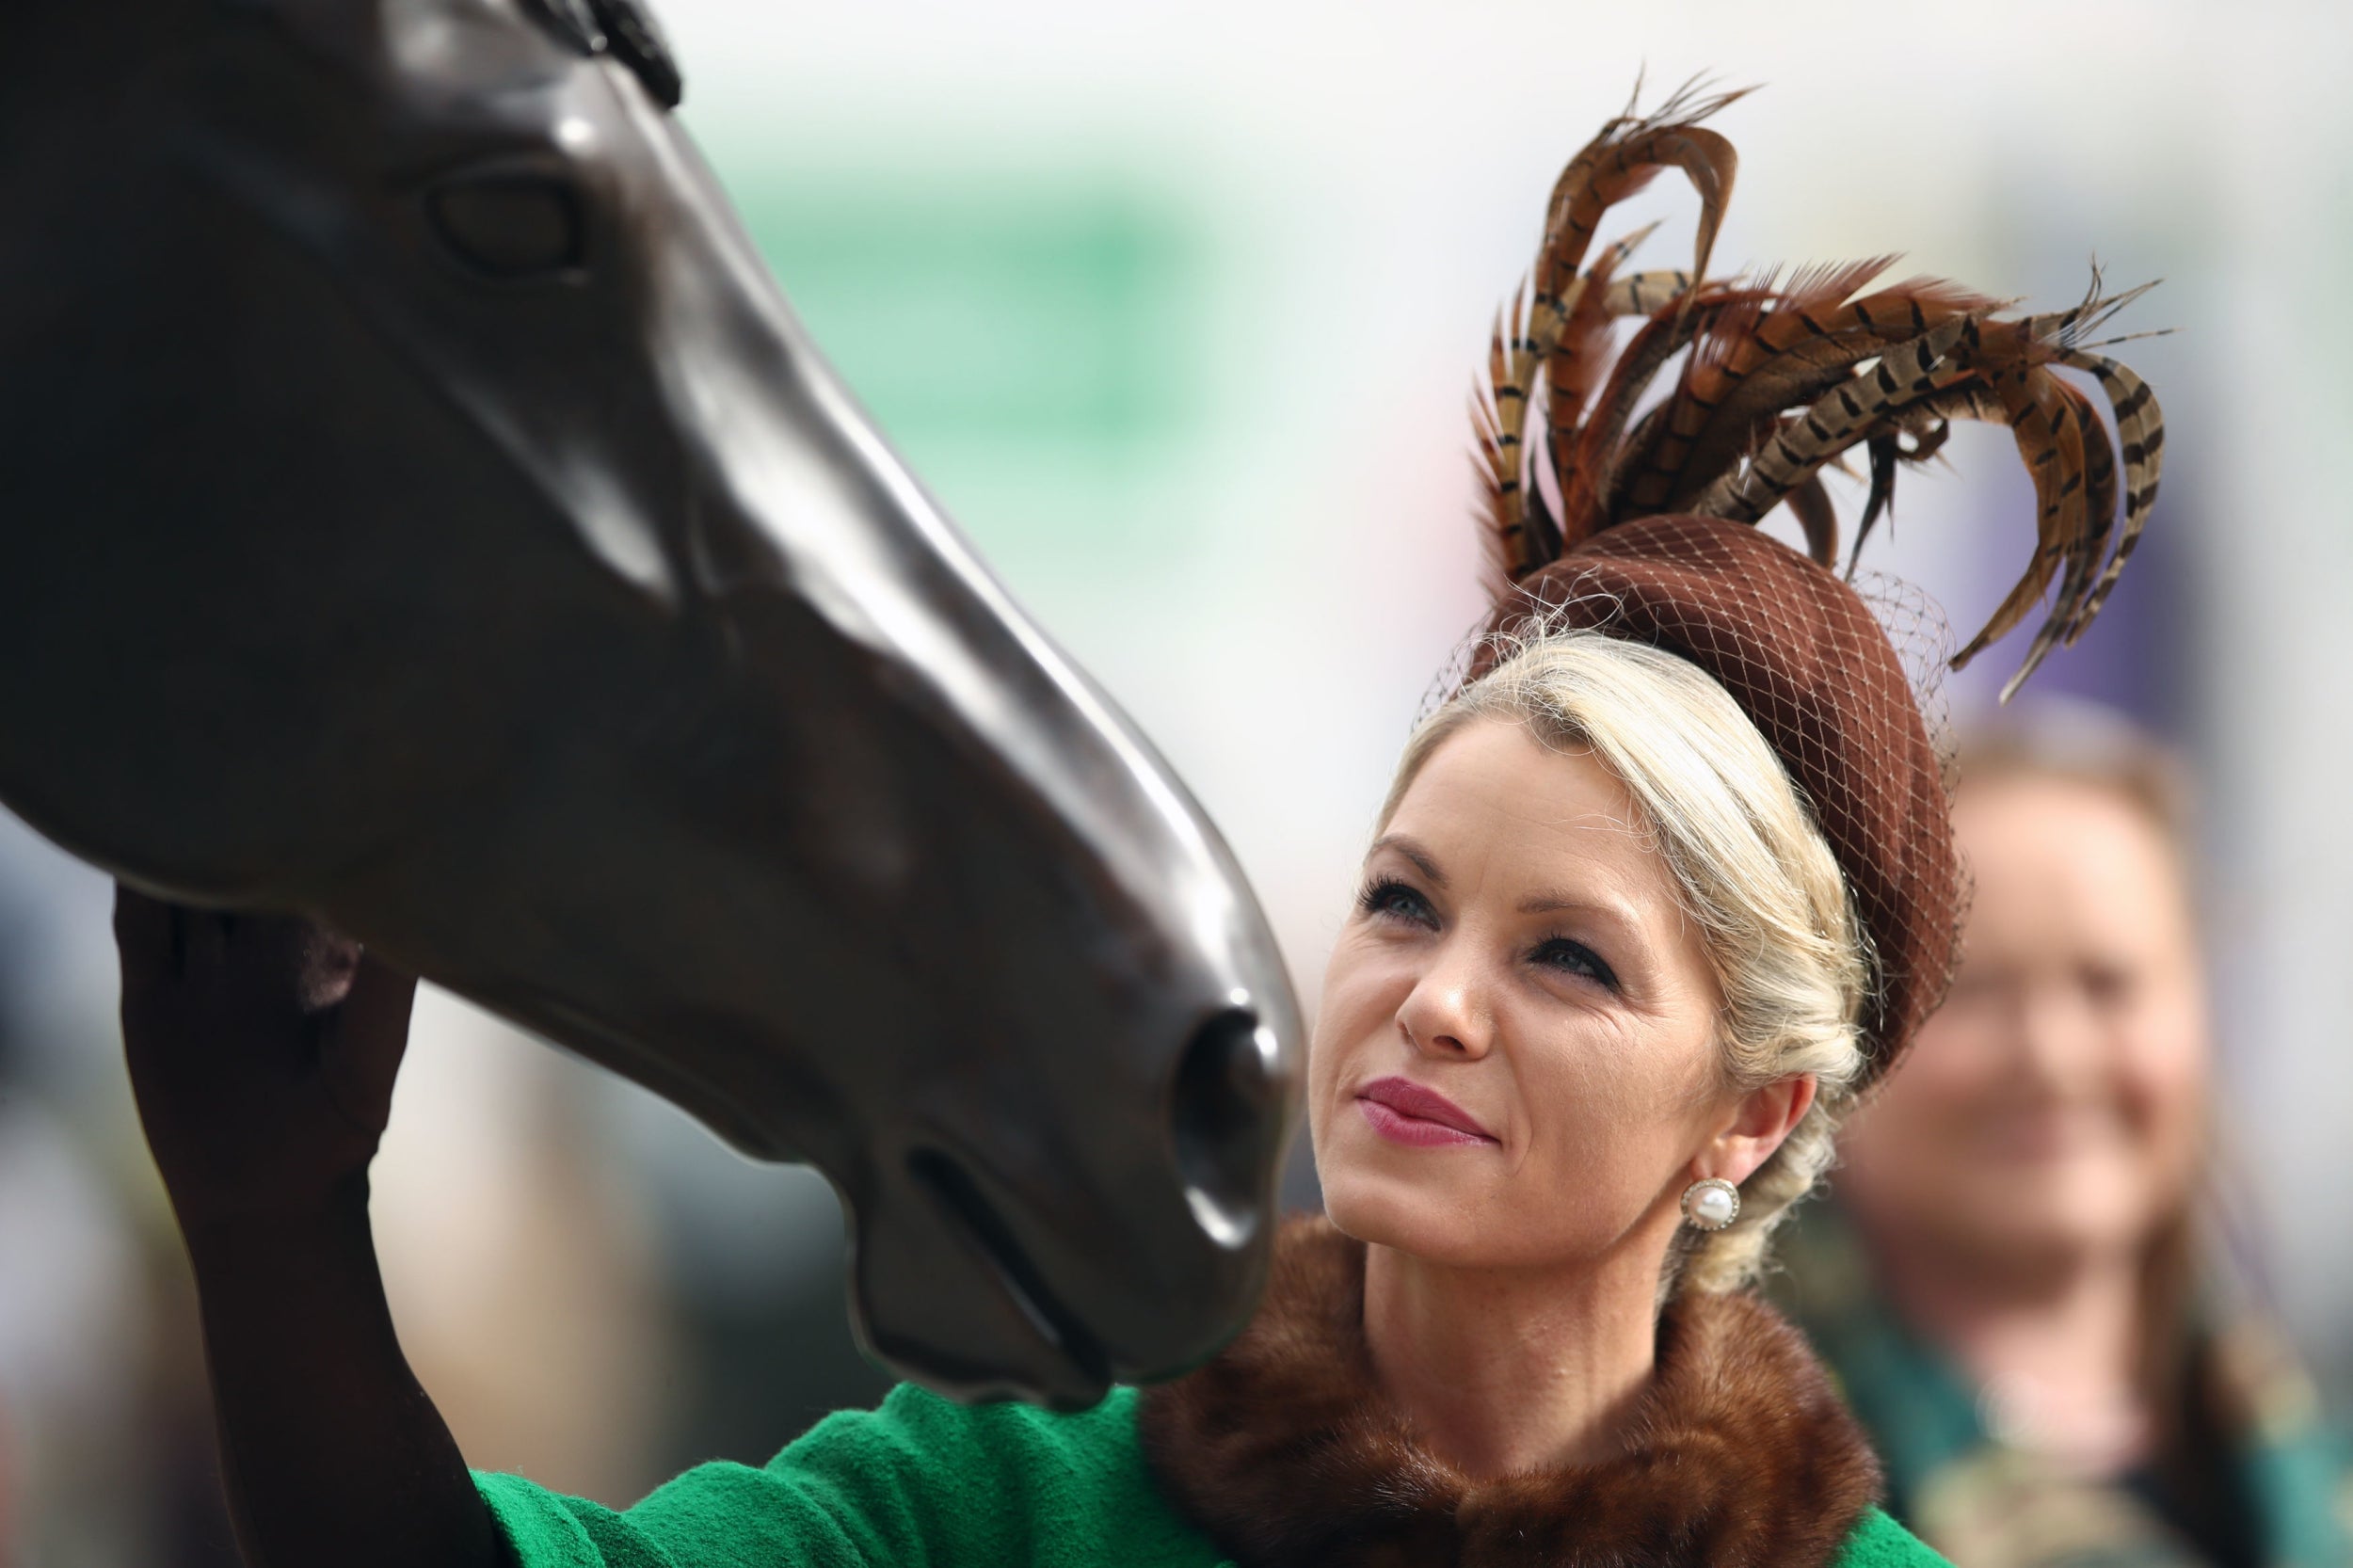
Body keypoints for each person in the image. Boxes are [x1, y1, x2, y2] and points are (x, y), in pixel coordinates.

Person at [113, 86, 2163, 1568]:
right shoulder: (1011, 1495)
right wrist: (275, 1222)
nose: (1430, 1002)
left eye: (1563, 954)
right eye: (1397, 900)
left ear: (1747, 1108)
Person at [1773, 704, 2352, 1568]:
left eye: (2108, 983)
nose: (2053, 1055)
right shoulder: (1730, 1485)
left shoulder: (2315, 1466)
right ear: (1841, 1031)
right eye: (1970, 990)